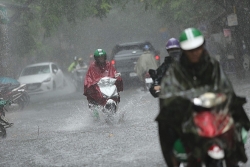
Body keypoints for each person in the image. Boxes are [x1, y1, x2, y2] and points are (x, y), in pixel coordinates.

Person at [157, 28, 250, 167]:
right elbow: (167, 93)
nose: (195, 53)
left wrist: (226, 98)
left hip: (213, 110)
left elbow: (224, 86)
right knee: (164, 124)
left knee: (238, 118)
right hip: (187, 113)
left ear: (203, 46)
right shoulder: (175, 71)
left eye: (197, 48)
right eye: (190, 50)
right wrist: (176, 103)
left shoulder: (212, 64)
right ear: (183, 50)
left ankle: (234, 157)